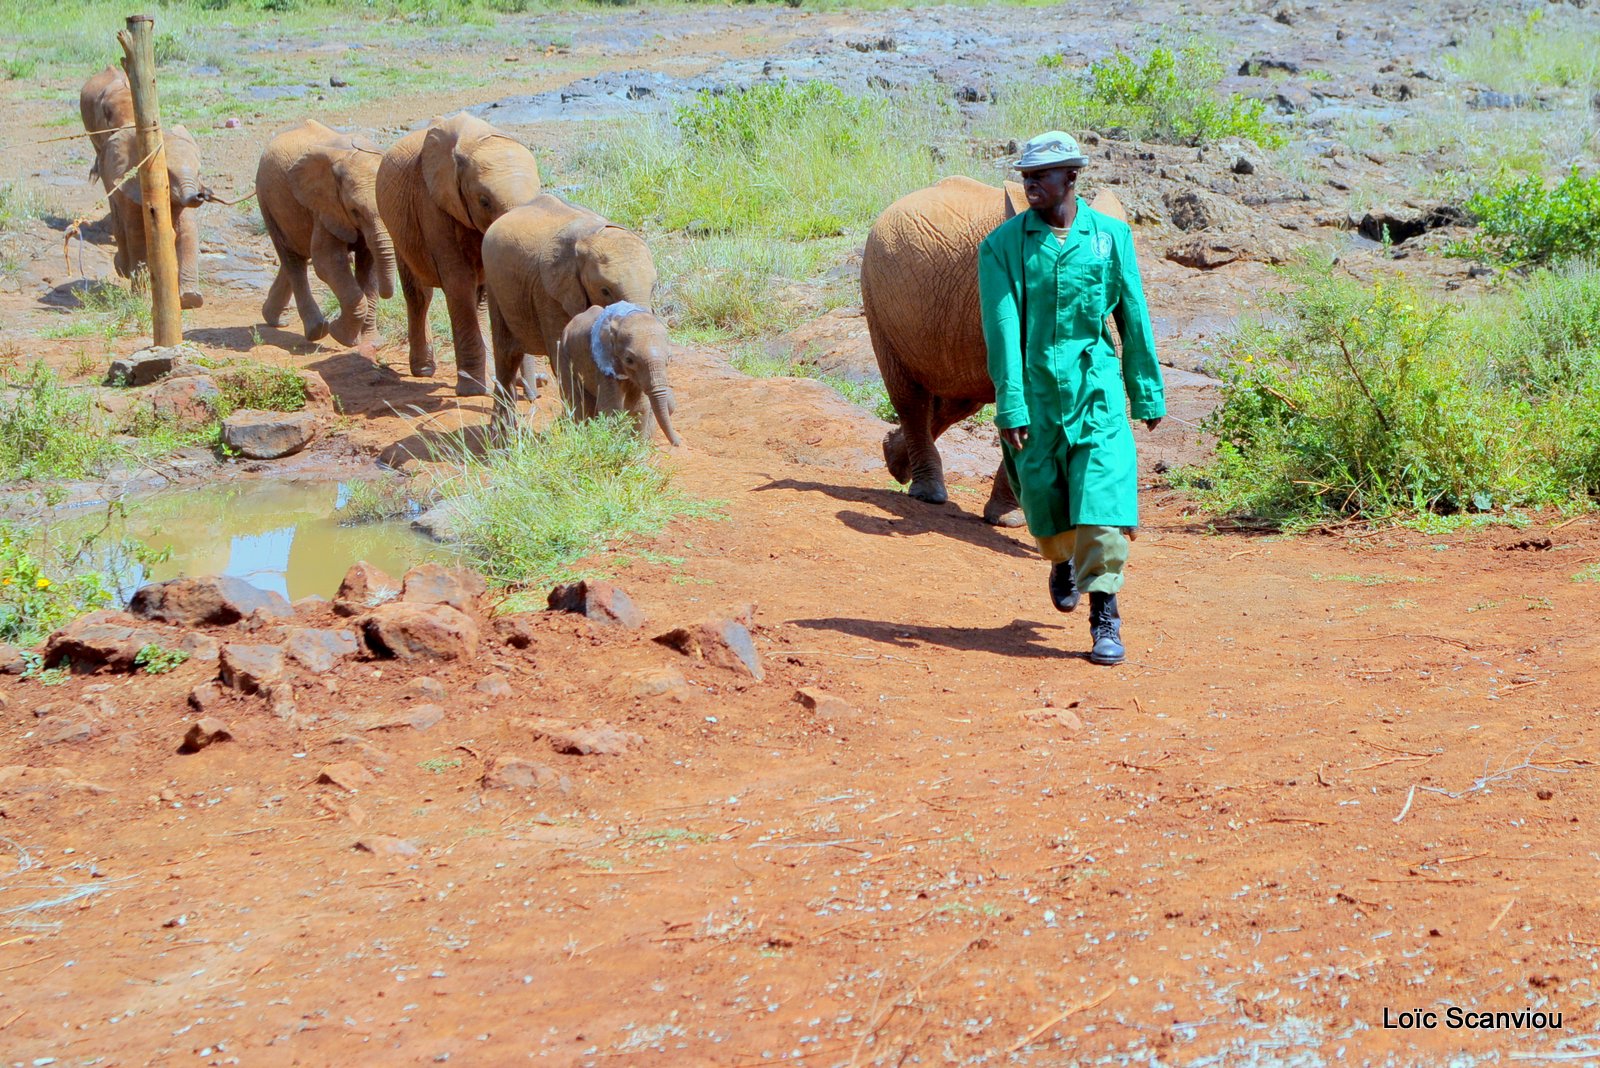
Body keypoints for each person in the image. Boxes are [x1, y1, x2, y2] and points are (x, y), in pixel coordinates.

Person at [977, 131, 1165, 666]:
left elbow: (1133, 315)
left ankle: (1105, 614)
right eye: (1026, 175)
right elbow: (1002, 327)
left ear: (1071, 177)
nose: (1030, 183)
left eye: (1041, 174)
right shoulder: (1001, 247)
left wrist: (1145, 391)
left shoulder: (1110, 238)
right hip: (1035, 394)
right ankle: (1061, 560)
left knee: (1102, 504)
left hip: (1096, 390)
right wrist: (1010, 403)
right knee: (1043, 496)